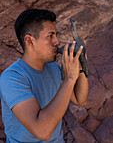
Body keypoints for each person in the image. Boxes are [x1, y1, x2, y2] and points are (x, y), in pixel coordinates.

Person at [0, 9, 89, 143]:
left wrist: (81, 66)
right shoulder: (12, 78)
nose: (57, 42)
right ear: (29, 41)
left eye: (56, 35)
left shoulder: (53, 68)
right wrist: (70, 78)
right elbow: (42, 131)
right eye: (50, 36)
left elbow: (80, 100)